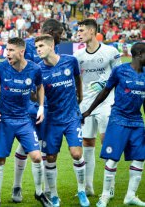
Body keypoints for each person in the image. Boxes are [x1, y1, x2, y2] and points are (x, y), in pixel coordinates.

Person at [0, 37, 51, 207]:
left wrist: (41, 106)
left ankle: (39, 193)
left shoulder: (34, 69)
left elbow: (40, 87)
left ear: (21, 51)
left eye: (11, 50)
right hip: (4, 120)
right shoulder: (1, 67)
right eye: (6, 50)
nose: (7, 53)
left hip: (24, 120)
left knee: (37, 157)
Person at [82, 42, 145, 207]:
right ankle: (105, 196)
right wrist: (89, 111)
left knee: (139, 159)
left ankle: (130, 196)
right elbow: (105, 91)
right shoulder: (120, 70)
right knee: (112, 159)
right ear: (139, 54)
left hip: (137, 122)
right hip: (118, 120)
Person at [12, 18, 64, 202]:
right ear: (50, 31)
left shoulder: (53, 49)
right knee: (31, 146)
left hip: (44, 105)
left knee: (31, 145)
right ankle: (21, 187)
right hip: (26, 105)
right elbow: (12, 67)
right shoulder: (26, 46)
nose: (62, 37)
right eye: (59, 34)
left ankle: (36, 189)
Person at [35, 35, 90, 207]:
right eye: (36, 46)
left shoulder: (70, 61)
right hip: (51, 119)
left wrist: (80, 97)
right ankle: (54, 194)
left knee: (76, 153)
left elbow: (77, 79)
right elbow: (36, 93)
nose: (38, 49)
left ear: (51, 46)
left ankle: (81, 190)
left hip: (71, 116)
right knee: (50, 157)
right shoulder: (38, 70)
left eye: (41, 46)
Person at [74, 19, 121, 197]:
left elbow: (120, 77)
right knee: (87, 142)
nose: (79, 33)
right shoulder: (78, 56)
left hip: (106, 104)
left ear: (92, 31)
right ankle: (88, 186)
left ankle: (110, 186)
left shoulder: (111, 52)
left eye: (82, 30)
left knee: (106, 142)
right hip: (85, 104)